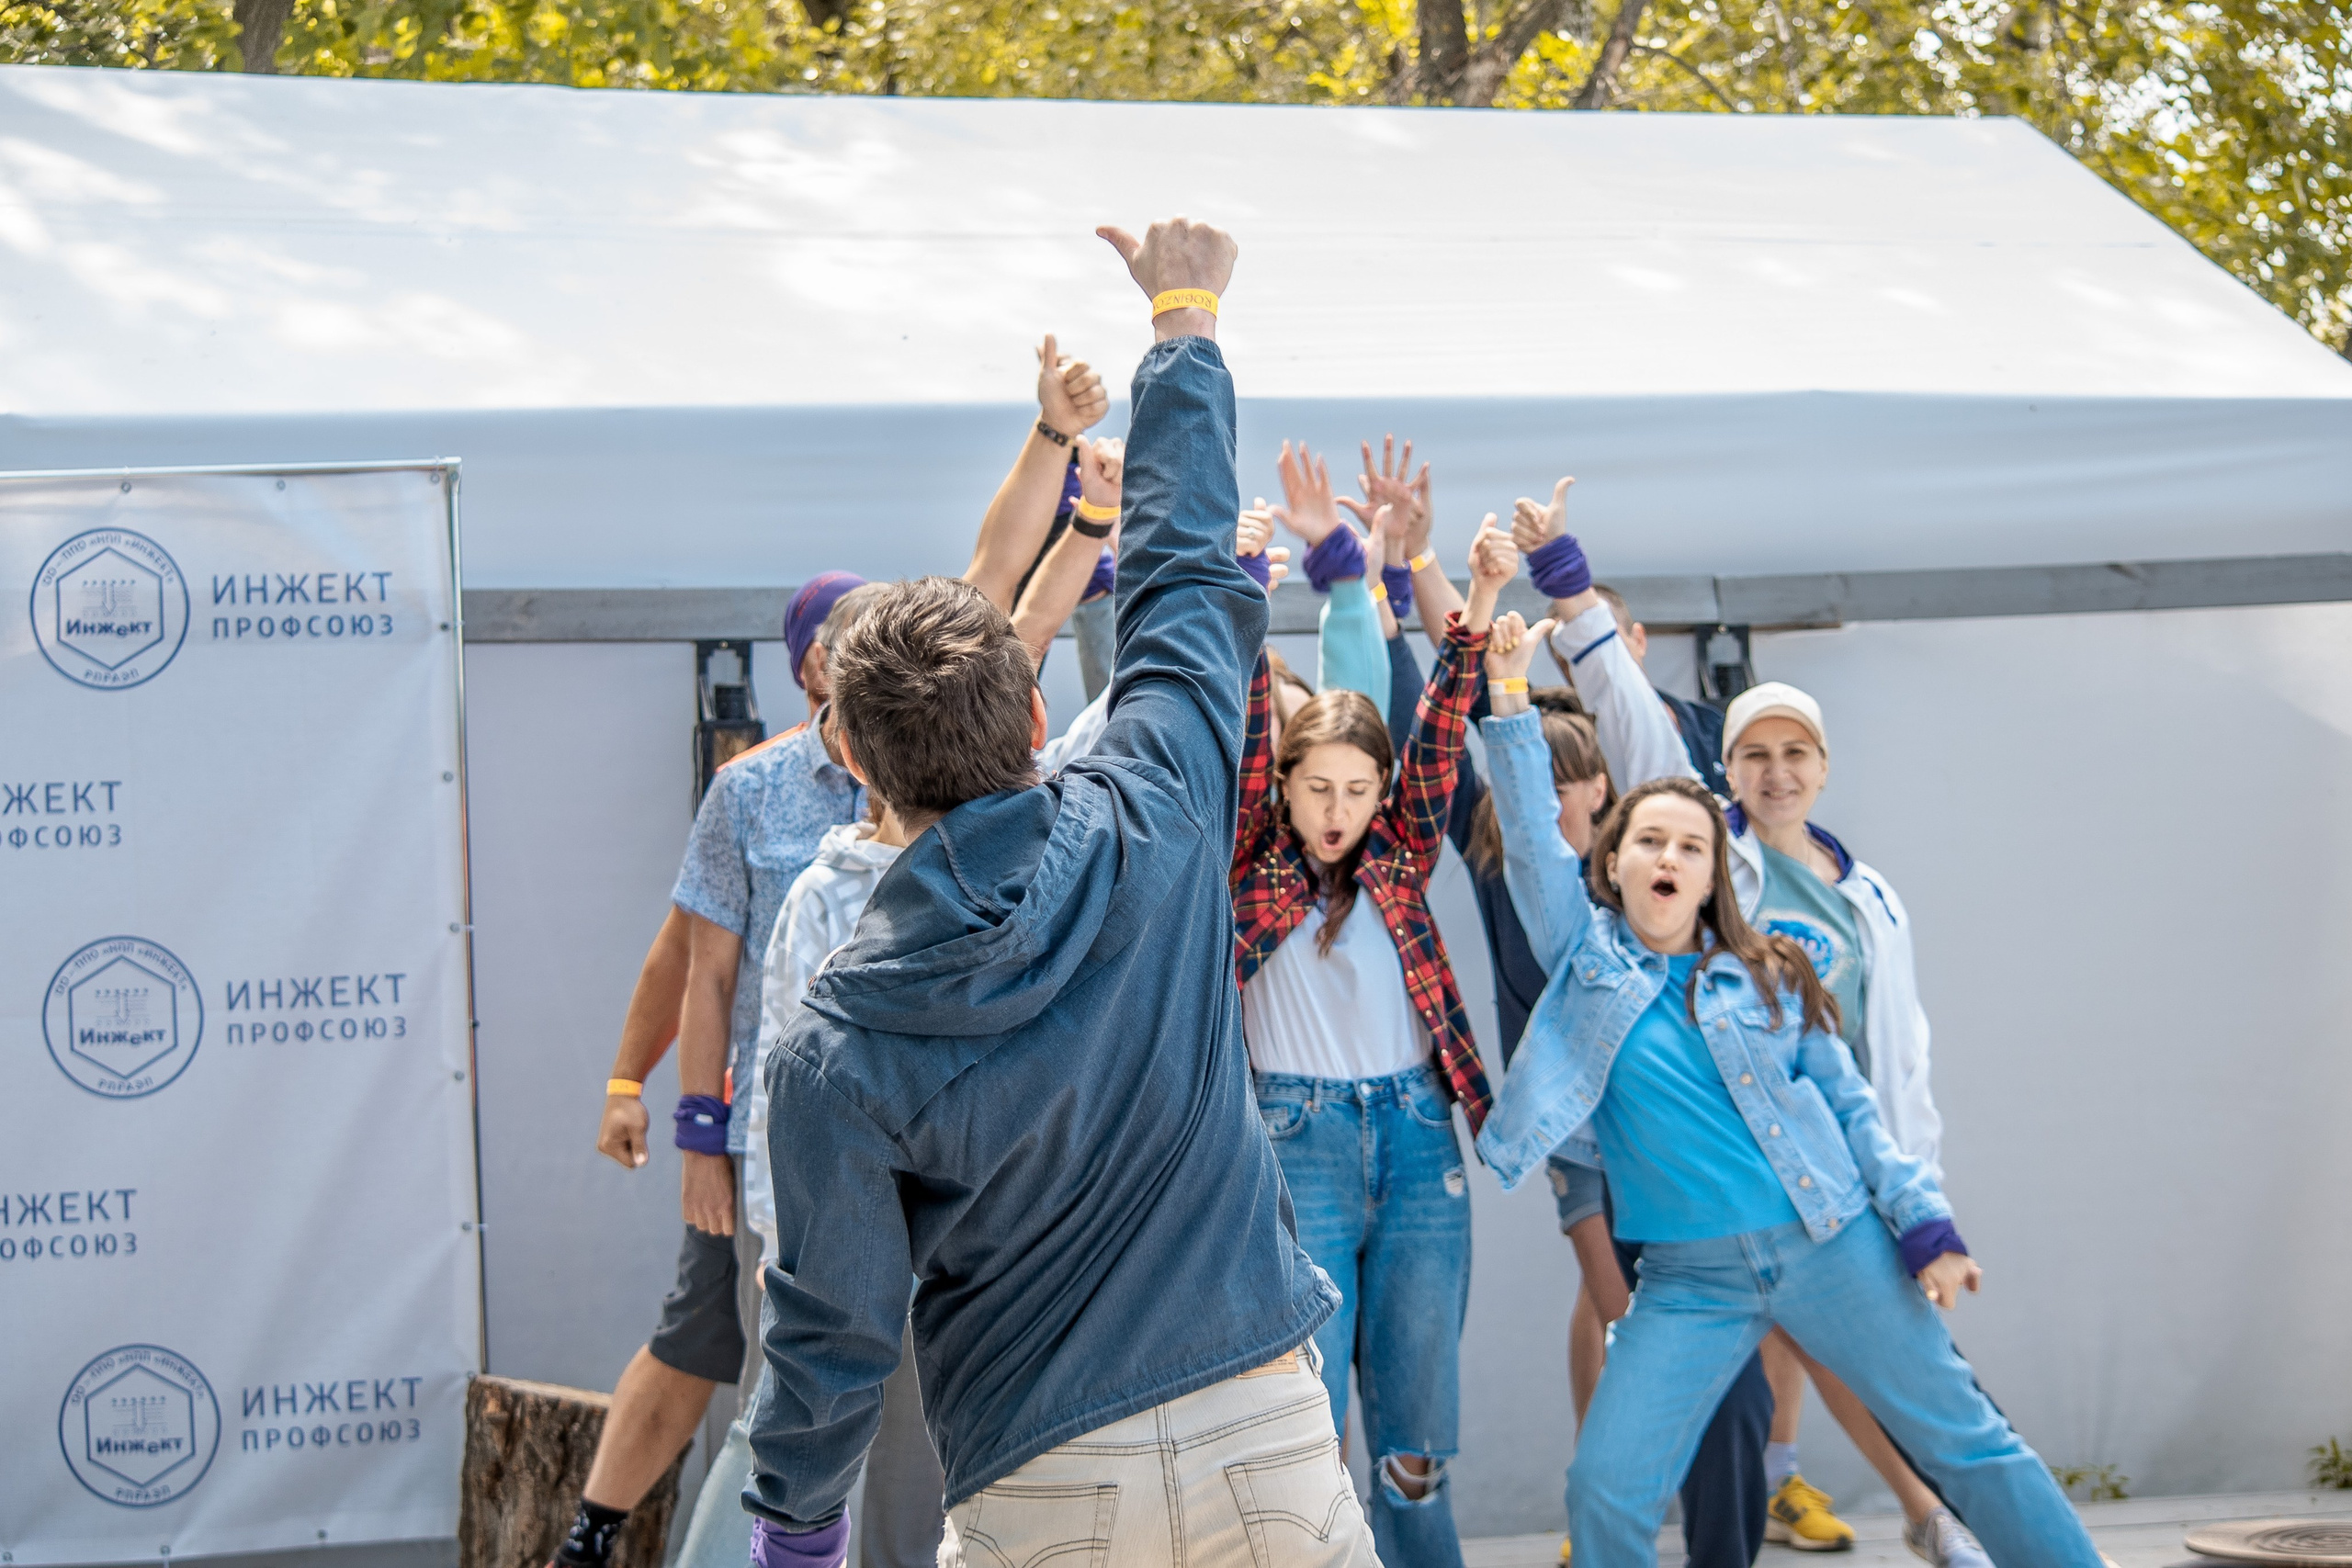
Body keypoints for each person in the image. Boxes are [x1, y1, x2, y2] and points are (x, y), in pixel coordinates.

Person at [740, 216, 1374, 1568]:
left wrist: (796, 1532)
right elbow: (1188, 575)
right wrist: (1183, 319)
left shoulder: (833, 1044)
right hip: (1265, 1428)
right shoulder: (1156, 805)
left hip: (1039, 1479)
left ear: (853, 763)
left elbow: (830, 1325)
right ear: (1037, 713)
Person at [1473, 615, 2103, 1568]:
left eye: (1691, 847)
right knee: (1604, 1487)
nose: (1670, 858)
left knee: (1970, 1444)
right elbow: (1528, 836)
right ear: (1612, 861)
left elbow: (1855, 1115)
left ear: (1713, 875)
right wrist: (1509, 694)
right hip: (1688, 1280)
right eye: (1650, 841)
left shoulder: (1768, 975)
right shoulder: (1585, 960)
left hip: (1831, 1243)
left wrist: (1927, 1225)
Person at [1519, 488, 1980, 1566]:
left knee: (1879, 1358)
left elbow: (1895, 1049)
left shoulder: (1867, 894)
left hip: (1839, 1152)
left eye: (1796, 754)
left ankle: (1923, 1510)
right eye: (1754, 755)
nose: (1776, 773)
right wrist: (1565, 579)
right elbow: (1626, 710)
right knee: (1727, 1355)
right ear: (1723, 768)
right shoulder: (1704, 854)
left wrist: (1916, 1184)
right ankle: (1896, 1510)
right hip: (1716, 1154)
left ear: (1822, 766)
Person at [1351, 452, 1768, 1568]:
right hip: (1585, 1145)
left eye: (1578, 770)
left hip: (1689, 1136)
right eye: (1543, 766)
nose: (1565, 785)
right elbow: (1436, 703)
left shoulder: (1665, 862)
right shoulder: (1506, 852)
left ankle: (1718, 1526)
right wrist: (1406, 570)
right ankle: (1612, 1524)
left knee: (1726, 1361)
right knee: (1631, 1326)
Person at [559, 571, 873, 1568]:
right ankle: (594, 1539)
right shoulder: (752, 789)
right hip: (767, 1138)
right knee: (754, 1382)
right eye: (844, 636)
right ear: (811, 663)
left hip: (895, 1138)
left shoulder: (930, 767)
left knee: (809, 1384)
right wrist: (689, 1127)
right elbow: (698, 968)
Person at [1230, 490, 1515, 1567]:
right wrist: (1247, 587)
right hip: (1293, 1140)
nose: (1338, 810)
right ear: (1285, 787)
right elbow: (1242, 716)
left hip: (1416, 1137)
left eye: (1358, 789)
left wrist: (1479, 590)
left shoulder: (1400, 857)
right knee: (1302, 1428)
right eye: (1318, 789)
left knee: (1416, 1441)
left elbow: (1439, 727)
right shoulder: (1252, 866)